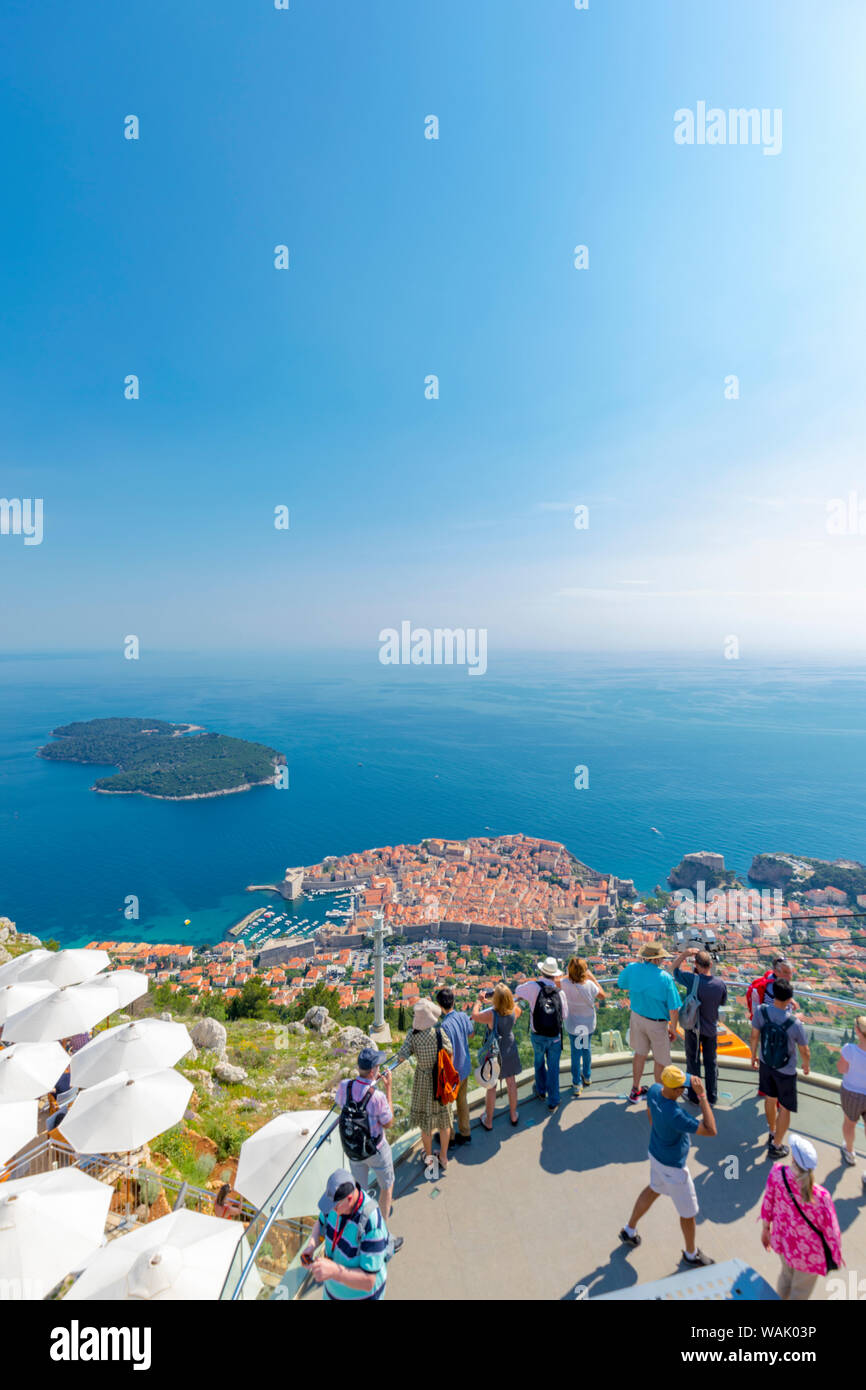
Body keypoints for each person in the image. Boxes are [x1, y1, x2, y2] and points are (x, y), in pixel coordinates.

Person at [619, 1064, 717, 1267]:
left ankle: (629, 1230)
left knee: (653, 1189)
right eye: (681, 1088)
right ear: (674, 1090)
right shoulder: (675, 1115)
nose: (683, 1091)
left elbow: (649, 1114)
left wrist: (659, 1132)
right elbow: (711, 1130)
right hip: (674, 1169)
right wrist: (703, 1097)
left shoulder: (655, 1089)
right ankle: (691, 1254)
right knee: (688, 1214)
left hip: (655, 1155)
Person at [760, 1134, 843, 1301]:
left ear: (793, 1159)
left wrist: (765, 1229)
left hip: (784, 1242)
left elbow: (767, 1203)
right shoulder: (821, 1196)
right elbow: (832, 1231)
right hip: (809, 1255)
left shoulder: (777, 1174)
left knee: (785, 1278)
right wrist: (835, 1256)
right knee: (800, 1292)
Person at [335, 1046, 402, 1248]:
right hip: (376, 1150)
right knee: (386, 1185)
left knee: (360, 1193)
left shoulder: (344, 1086)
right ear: (373, 1071)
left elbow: (342, 1105)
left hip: (353, 1150)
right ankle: (381, 1236)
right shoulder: (377, 1097)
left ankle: (359, 1232)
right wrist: (387, 1088)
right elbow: (389, 1122)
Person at [300, 1169, 390, 1301]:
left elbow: (369, 1281)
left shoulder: (371, 1224)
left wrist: (334, 1271)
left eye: (335, 1207)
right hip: (333, 1292)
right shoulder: (333, 1206)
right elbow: (320, 1224)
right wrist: (311, 1246)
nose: (332, 1211)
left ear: (349, 1198)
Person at [394, 997, 454, 1175]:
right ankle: (443, 1157)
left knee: (426, 1125)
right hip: (440, 1080)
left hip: (423, 1080)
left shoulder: (413, 1036)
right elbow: (450, 1051)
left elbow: (402, 1056)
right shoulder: (438, 1032)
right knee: (444, 1121)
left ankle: (429, 1160)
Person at [750, 979, 810, 1159]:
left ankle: (771, 1130)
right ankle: (776, 1145)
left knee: (770, 1098)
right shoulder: (795, 1023)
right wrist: (806, 1064)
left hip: (766, 1062)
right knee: (785, 1107)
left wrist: (753, 1056)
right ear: (790, 998)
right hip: (786, 1070)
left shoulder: (761, 1011)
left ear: (774, 995)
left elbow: (754, 1036)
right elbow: (804, 1049)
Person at [617, 943, 681, 1103]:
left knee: (640, 1054)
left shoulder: (632, 968)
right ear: (657, 958)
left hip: (637, 1017)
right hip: (657, 1024)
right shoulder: (665, 978)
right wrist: (673, 1028)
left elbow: (621, 984)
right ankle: (658, 1096)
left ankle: (635, 1089)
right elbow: (674, 1009)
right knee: (660, 1060)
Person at [671, 946, 727, 1105]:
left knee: (693, 1063)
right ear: (710, 964)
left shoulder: (692, 979)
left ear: (696, 965)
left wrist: (685, 954)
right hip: (711, 1029)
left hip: (693, 1028)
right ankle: (712, 1096)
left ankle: (694, 1096)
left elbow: (673, 970)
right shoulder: (720, 984)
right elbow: (721, 1002)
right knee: (711, 1063)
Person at [515, 957, 567, 1111]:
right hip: (554, 1036)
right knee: (553, 1067)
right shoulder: (560, 993)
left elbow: (518, 991)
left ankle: (541, 1090)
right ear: (555, 974)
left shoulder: (532, 986)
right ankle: (553, 1100)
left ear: (542, 971)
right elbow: (565, 1015)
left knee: (538, 1063)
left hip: (537, 1034)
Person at [472, 984, 523, 1128]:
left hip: (495, 1051)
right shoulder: (515, 1010)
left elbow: (475, 1016)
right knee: (511, 1083)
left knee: (492, 1086)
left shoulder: (491, 1015)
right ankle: (513, 1115)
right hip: (510, 1048)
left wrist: (479, 1001)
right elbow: (508, 1008)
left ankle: (488, 1121)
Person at [435, 989, 474, 1147]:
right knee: (462, 1101)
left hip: (452, 1073)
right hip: (464, 1067)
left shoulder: (444, 1026)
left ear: (440, 1006)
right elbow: (471, 1034)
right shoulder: (463, 1016)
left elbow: (445, 1052)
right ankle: (465, 1133)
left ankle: (449, 1138)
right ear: (453, 1001)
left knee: (448, 1105)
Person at [561, 956, 605, 1095]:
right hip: (587, 1024)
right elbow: (603, 995)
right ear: (584, 971)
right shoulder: (590, 986)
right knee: (586, 1049)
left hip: (573, 1024)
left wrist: (569, 975)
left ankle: (576, 1083)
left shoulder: (564, 983)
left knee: (575, 1053)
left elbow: (556, 981)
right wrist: (592, 978)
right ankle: (587, 1076)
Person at [837, 1014, 866, 1181]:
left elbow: (841, 1069)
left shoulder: (849, 1050)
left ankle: (850, 1151)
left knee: (850, 1123)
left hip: (852, 1093)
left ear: (857, 1031)